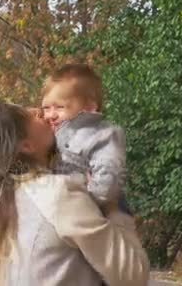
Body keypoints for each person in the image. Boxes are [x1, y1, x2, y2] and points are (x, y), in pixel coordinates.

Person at [0, 103, 149, 286]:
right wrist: (113, 206)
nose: (38, 111)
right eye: (26, 115)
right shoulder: (56, 193)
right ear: (26, 146)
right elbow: (132, 276)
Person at [41, 63, 131, 213]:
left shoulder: (101, 135)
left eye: (60, 107)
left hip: (101, 210)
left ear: (89, 107)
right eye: (46, 108)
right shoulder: (50, 136)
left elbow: (109, 176)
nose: (51, 115)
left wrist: (90, 198)